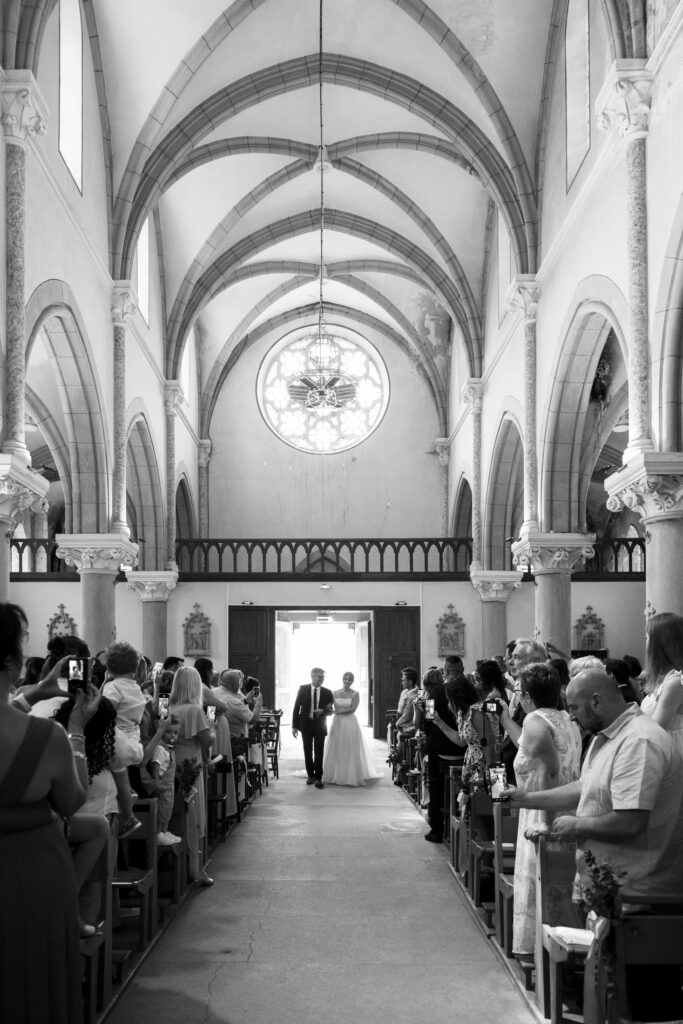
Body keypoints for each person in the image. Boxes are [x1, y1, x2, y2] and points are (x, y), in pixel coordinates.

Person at [505, 668, 683, 1022]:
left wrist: (576, 825)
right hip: (614, 890)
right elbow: (584, 788)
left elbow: (632, 820)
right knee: (609, 993)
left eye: (574, 707)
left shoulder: (639, 742)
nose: (570, 715)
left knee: (640, 1005)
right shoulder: (609, 738)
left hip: (639, 897)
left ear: (597, 701)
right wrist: (526, 798)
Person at [0, 602, 99, 1024]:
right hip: (27, 875)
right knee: (30, 987)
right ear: (12, 661)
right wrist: (76, 727)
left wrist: (28, 696)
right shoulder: (46, 736)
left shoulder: (28, 709)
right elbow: (73, 802)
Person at [498, 662, 581, 957]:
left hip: (541, 808)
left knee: (539, 877)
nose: (517, 694)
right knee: (560, 882)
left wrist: (545, 823)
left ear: (529, 695)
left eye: (519, 690)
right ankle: (559, 948)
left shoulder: (535, 719)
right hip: (569, 807)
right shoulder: (566, 719)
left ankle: (538, 950)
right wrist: (506, 717)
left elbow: (550, 769)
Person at [170, 666, 215, 886]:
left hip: (172, 761)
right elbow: (207, 740)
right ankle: (196, 870)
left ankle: (180, 866)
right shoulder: (195, 711)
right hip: (191, 761)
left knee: (179, 812)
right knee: (194, 814)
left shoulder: (170, 707)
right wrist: (212, 728)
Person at [101, 641, 147, 839]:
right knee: (122, 777)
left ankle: (129, 818)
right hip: (133, 738)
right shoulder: (135, 688)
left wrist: (104, 685)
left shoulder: (113, 687)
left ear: (109, 668)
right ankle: (129, 793)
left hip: (117, 739)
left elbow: (106, 711)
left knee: (118, 775)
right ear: (135, 668)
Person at [415, 667, 461, 843]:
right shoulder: (454, 690)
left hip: (438, 747)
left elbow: (427, 723)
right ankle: (456, 825)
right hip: (458, 747)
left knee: (435, 787)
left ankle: (436, 830)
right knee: (454, 788)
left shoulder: (431, 697)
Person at [322, 672, 382, 786]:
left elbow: (352, 709)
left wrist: (337, 712)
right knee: (337, 746)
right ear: (342, 679)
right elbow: (329, 707)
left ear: (352, 681)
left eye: (349, 680)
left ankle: (349, 775)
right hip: (337, 723)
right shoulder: (334, 693)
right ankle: (335, 773)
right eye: (345, 679)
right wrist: (327, 709)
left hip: (350, 722)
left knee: (349, 747)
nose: (347, 681)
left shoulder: (355, 694)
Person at [641, 611, 683, 757]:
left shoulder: (675, 683)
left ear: (659, 645)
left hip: (671, 755)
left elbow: (655, 730)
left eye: (647, 638)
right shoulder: (666, 679)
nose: (645, 643)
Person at [292, 667, 334, 789]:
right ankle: (310, 775)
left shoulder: (327, 692)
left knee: (319, 752)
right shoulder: (303, 689)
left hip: (320, 725)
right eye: (320, 677)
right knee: (307, 751)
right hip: (306, 724)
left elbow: (331, 711)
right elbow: (296, 708)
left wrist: (323, 711)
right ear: (312, 676)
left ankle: (318, 778)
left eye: (323, 677)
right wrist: (294, 726)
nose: (322, 679)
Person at [148, 716, 182, 846]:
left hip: (170, 785)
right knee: (162, 809)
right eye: (168, 732)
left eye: (175, 733)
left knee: (168, 808)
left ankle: (165, 831)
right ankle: (159, 833)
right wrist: (156, 781)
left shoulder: (169, 749)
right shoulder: (161, 749)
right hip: (163, 784)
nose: (171, 735)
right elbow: (155, 765)